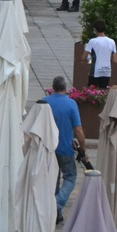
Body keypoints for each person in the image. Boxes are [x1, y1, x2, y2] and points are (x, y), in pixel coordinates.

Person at [41, 76, 87, 224]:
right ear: (65, 88)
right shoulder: (71, 104)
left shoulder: (44, 102)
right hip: (66, 148)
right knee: (70, 177)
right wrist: (83, 150)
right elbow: (78, 130)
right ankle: (56, 206)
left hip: (48, 149)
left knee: (53, 180)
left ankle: (57, 214)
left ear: (52, 87)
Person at [82, 20, 117, 87]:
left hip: (95, 71)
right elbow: (115, 60)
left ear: (95, 29)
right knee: (103, 91)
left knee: (92, 91)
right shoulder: (112, 42)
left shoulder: (92, 41)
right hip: (107, 71)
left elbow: (83, 57)